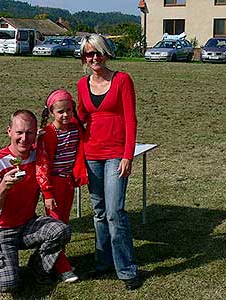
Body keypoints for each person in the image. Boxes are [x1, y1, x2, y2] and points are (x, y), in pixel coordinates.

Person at [76, 34, 142, 290]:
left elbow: (130, 120)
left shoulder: (122, 79)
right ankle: (102, 263)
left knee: (115, 213)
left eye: (98, 53)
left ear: (106, 53)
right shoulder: (83, 84)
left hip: (116, 155)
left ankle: (126, 269)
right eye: (89, 54)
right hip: (91, 154)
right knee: (100, 213)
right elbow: (80, 116)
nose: (94, 58)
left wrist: (128, 155)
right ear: (84, 58)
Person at [0, 110, 71, 293]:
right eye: (19, 132)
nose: (24, 138)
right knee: (8, 285)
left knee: (61, 230)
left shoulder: (38, 157)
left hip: (27, 224)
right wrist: (4, 187)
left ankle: (37, 268)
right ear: (9, 132)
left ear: (35, 133)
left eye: (29, 133)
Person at [36, 89, 88, 283]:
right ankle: (61, 265)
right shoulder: (49, 133)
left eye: (69, 110)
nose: (65, 115)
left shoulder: (75, 128)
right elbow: (42, 164)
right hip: (54, 183)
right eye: (60, 112)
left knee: (64, 223)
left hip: (68, 182)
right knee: (57, 224)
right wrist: (47, 192)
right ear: (51, 112)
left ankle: (55, 259)